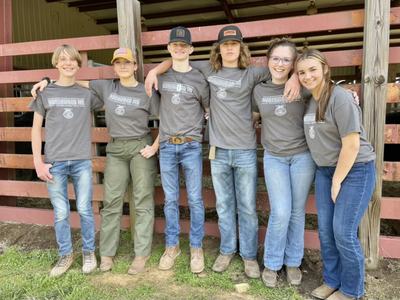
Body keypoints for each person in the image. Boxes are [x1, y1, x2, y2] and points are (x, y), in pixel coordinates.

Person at [145, 25, 300, 279]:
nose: (230, 48)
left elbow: (281, 69)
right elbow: (176, 58)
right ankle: (227, 250)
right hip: (218, 150)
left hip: (245, 151)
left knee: (248, 206)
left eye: (234, 44)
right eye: (225, 45)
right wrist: (154, 70)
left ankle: (249, 256)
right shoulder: (208, 69)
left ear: (241, 48)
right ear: (219, 48)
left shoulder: (252, 73)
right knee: (224, 204)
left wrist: (294, 75)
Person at [31, 47, 160, 275]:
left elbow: (165, 118)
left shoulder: (145, 91)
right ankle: (107, 253)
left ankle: (141, 253)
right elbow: (76, 83)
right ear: (114, 66)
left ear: (135, 66)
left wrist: (155, 146)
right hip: (116, 147)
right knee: (111, 201)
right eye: (118, 62)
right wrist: (48, 80)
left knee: (142, 199)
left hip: (141, 145)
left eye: (127, 63)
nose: (123, 66)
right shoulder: (106, 87)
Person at [297, 49, 376, 300]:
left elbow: (351, 145)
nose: (307, 76)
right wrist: (292, 77)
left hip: (354, 170)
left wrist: (337, 181)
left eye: (312, 70)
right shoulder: (311, 99)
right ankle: (332, 280)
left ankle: (352, 290)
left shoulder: (340, 98)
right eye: (301, 72)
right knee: (325, 231)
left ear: (325, 69)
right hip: (325, 170)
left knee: (343, 231)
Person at [30, 44, 102, 277]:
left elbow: (104, 92)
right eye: (62, 60)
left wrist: (48, 78)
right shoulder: (46, 94)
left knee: (84, 209)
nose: (68, 63)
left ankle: (89, 252)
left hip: (81, 160)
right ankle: (65, 255)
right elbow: (35, 129)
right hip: (55, 162)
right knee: (61, 212)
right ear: (56, 63)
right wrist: (38, 162)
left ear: (78, 64)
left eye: (72, 60)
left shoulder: (86, 94)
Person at [252, 38, 316, 287]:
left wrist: (296, 79)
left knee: (297, 212)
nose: (280, 63)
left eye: (286, 59)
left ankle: (292, 262)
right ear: (268, 60)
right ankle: (271, 263)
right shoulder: (259, 90)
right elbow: (253, 119)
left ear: (294, 63)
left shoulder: (305, 86)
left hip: (302, 156)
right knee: (280, 211)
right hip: (274, 157)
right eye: (276, 58)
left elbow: (326, 87)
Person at [156, 26, 209, 274]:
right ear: (169, 48)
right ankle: (172, 245)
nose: (179, 48)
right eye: (174, 45)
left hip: (191, 145)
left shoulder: (199, 78)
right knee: (170, 199)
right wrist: (154, 71)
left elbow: (209, 110)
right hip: (167, 145)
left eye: (183, 45)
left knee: (196, 199)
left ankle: (196, 247)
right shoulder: (161, 77)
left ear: (191, 49)